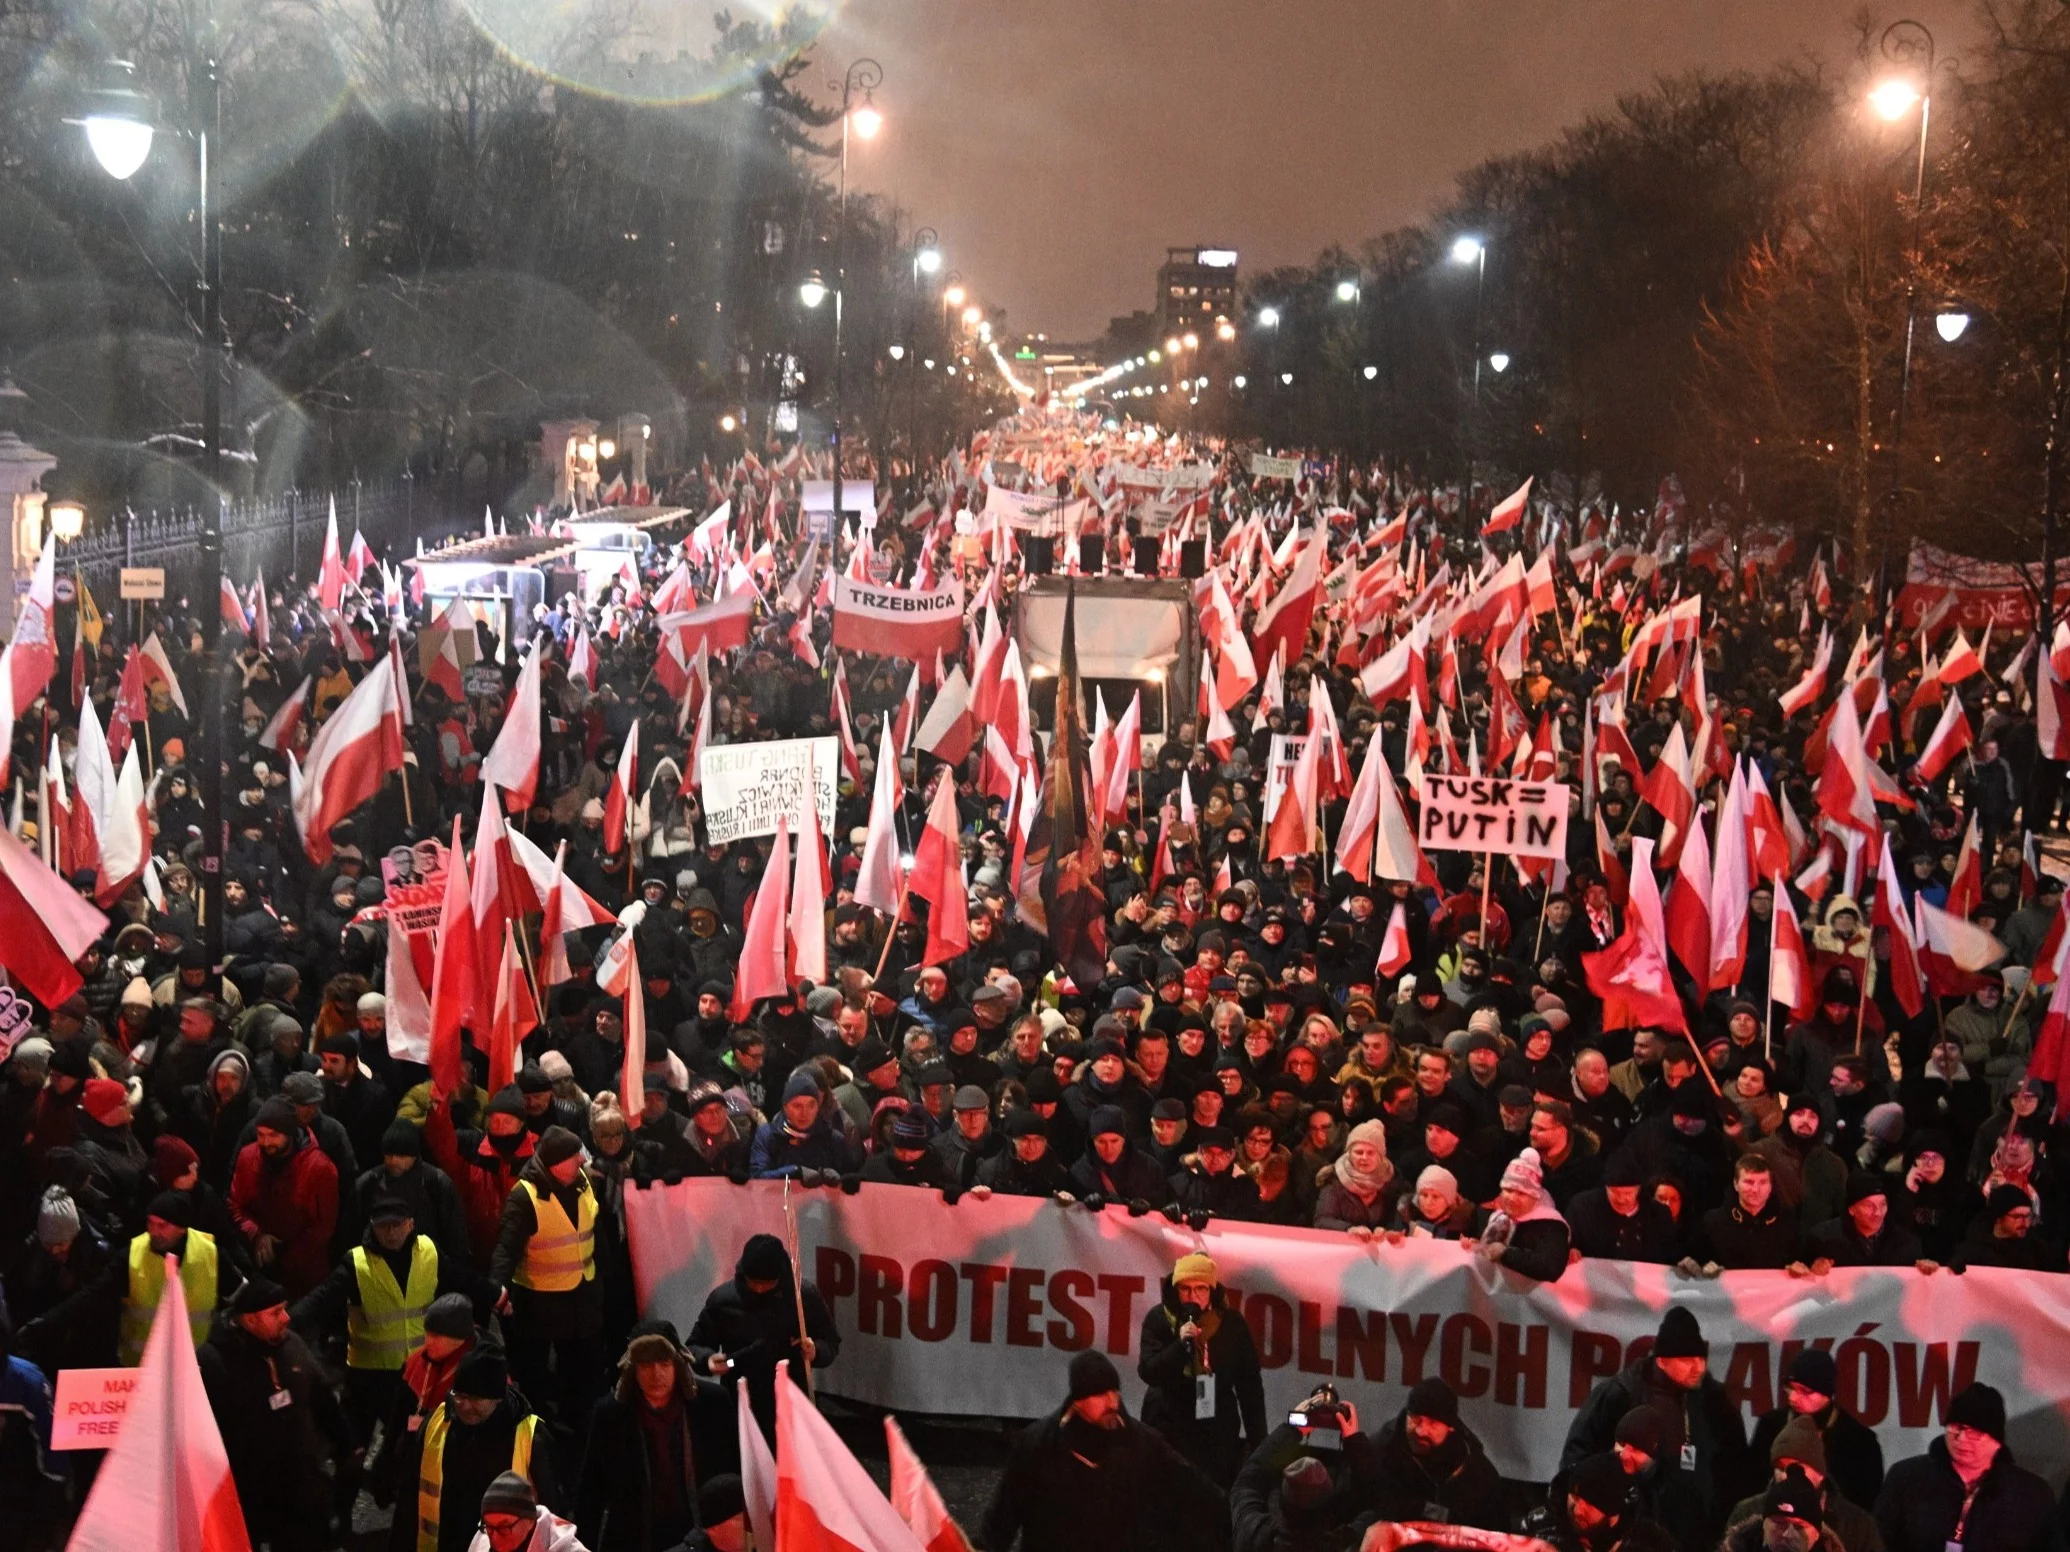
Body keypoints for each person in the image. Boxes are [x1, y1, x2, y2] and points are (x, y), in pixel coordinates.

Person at [981, 1350, 1228, 1552]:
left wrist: (1241, 1515)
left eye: (1114, 1391)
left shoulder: (1143, 1444)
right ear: (1078, 1401)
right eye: (1100, 1394)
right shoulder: (1037, 1446)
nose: (1112, 1402)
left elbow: (1194, 1487)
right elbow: (1002, 1519)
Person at [1561, 1307, 1749, 1543]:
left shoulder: (1716, 1403)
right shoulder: (1619, 1394)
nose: (1698, 1368)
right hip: (1626, 1538)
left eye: (1701, 1358)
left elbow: (1737, 1468)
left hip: (1697, 1538)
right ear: (1662, 1360)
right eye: (1687, 1360)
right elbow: (1578, 1458)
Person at [197, 1276, 355, 1552]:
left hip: (300, 1489)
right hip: (248, 1496)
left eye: (284, 1308)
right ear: (249, 1320)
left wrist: (347, 1445)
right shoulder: (213, 1363)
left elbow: (321, 1398)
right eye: (274, 1312)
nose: (286, 1318)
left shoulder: (291, 1345)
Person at [575, 1329, 737, 1552]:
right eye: (645, 1365)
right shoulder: (611, 1415)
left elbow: (733, 1473)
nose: (656, 1374)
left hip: (700, 1531)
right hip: (636, 1536)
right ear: (633, 1370)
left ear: (678, 1365)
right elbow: (591, 1490)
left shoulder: (712, 1405)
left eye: (664, 1363)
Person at [491, 1125, 605, 1430]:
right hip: (539, 1301)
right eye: (574, 1157)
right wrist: (496, 1289)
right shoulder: (525, 1196)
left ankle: (578, 1423)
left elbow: (595, 1229)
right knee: (535, 1374)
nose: (582, 1161)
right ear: (555, 1163)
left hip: (581, 1296)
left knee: (580, 1371)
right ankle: (537, 1429)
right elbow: (507, 1247)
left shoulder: (582, 1182)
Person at [396, 1345, 558, 1552]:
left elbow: (551, 1515)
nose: (463, 1405)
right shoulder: (436, 1424)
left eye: (474, 1399)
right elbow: (408, 1500)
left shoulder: (532, 1440)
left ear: (497, 1398)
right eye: (459, 1395)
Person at [687, 1233, 839, 1439]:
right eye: (753, 1282)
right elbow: (694, 1346)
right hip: (740, 1400)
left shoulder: (803, 1297)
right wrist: (708, 1360)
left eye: (767, 1283)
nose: (759, 1288)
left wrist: (815, 1351)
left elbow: (830, 1341)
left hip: (791, 1401)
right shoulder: (723, 1300)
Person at [1873, 1384, 2057, 1552]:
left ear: (1996, 1441)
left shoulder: (2030, 1495)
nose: (1961, 1439)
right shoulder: (1906, 1478)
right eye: (1956, 1427)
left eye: (1975, 1432)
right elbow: (1878, 1543)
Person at [1136, 1251, 1265, 1484]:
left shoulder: (1231, 1324)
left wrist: (1260, 1447)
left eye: (1200, 1289)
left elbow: (1250, 1387)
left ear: (1212, 1290)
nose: (1192, 1296)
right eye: (1185, 1289)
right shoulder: (1159, 1318)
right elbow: (1149, 1371)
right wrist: (1180, 1345)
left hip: (1214, 1430)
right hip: (1167, 1425)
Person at [1745, 1349, 1885, 1515]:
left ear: (1826, 1392)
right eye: (1790, 1388)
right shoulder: (1770, 1427)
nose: (1794, 1397)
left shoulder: (1859, 1441)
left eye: (1805, 1391)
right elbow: (1751, 1483)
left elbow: (1867, 1503)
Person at [229, 1094, 341, 1298]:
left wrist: (283, 1258)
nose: (265, 1142)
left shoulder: (320, 1168)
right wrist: (257, 1235)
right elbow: (236, 1205)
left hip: (304, 1277)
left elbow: (322, 1228)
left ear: (289, 1133)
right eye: (260, 1135)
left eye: (273, 1135)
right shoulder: (248, 1157)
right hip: (258, 1270)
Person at [1365, 1376, 1508, 1528]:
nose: (1420, 1431)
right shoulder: (1380, 1451)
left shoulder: (1477, 1472)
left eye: (1432, 1423)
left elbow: (1497, 1532)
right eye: (1415, 1419)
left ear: (1450, 1427)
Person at [1474, 1147, 1570, 1281]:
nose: (1512, 1198)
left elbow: (1550, 1267)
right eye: (1508, 1190)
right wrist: (1477, 1246)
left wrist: (1506, 1254)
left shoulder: (1552, 1226)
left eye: (1521, 1193)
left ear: (1535, 1196)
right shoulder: (1498, 1218)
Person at [473, 1470, 588, 1552]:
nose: (495, 1538)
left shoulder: (567, 1549)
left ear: (530, 1521)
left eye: (504, 1527)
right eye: (489, 1527)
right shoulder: (482, 1541)